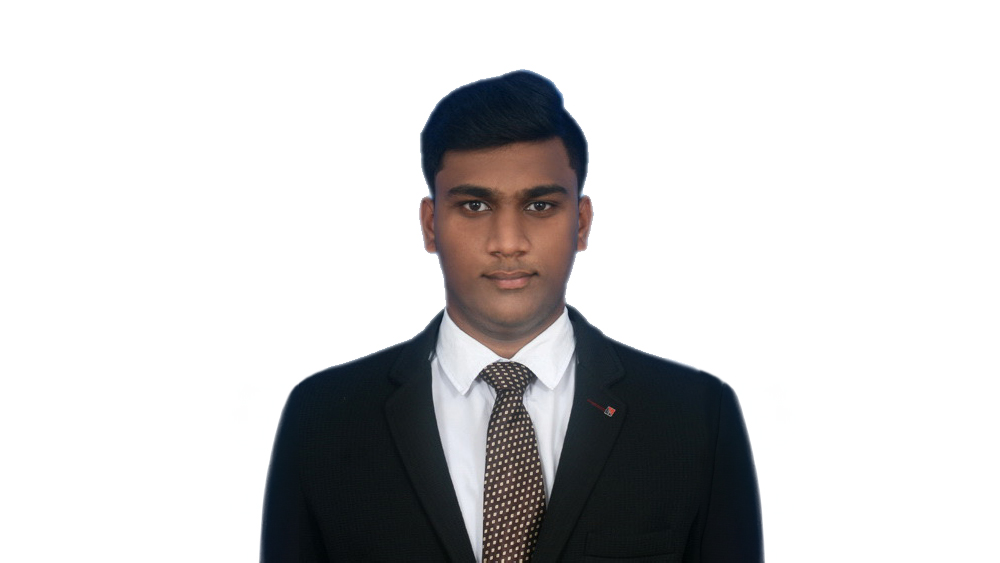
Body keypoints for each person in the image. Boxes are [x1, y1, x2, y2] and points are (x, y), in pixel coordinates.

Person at [261, 70, 763, 562]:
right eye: (474, 206)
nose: (507, 243)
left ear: (581, 223)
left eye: (540, 206)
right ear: (431, 225)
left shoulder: (695, 419)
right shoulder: (323, 419)